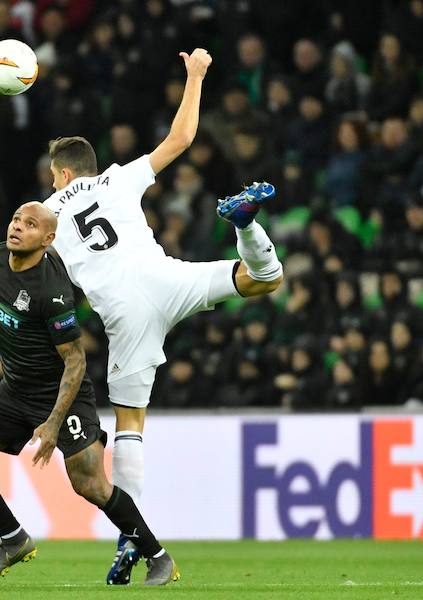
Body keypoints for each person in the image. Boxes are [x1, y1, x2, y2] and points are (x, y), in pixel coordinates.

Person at [35, 49, 282, 584]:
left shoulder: (46, 212)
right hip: (168, 279)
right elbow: (182, 139)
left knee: (130, 424)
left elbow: (22, 259)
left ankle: (132, 537)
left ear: (59, 173)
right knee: (264, 280)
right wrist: (194, 76)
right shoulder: (120, 179)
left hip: (125, 313)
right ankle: (244, 225)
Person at [0, 202, 179, 586]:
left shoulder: (52, 293)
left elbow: (75, 361)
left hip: (61, 394)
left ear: (47, 239)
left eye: (29, 225)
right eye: (14, 220)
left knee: (89, 483)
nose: (16, 228)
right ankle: (13, 539)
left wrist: (52, 421)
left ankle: (157, 556)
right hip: (15, 390)